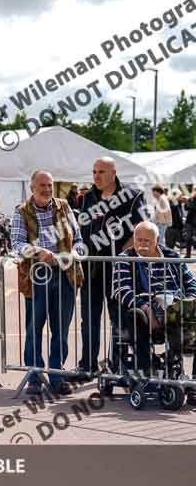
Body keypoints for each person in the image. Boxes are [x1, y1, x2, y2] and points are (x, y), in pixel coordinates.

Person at [11, 171, 84, 396]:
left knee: (60, 330)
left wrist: (70, 254)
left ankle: (57, 376)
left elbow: (80, 241)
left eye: (49, 185)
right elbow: (16, 243)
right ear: (32, 188)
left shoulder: (64, 206)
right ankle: (35, 376)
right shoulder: (21, 211)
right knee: (35, 328)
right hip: (36, 277)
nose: (46, 189)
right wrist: (37, 251)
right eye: (42, 185)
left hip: (65, 275)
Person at [78, 156, 146, 377]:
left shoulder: (132, 196)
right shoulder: (88, 197)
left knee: (118, 318)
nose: (97, 176)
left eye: (102, 172)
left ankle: (117, 365)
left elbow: (138, 230)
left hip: (119, 270)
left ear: (114, 173)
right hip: (92, 268)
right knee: (89, 318)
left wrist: (122, 257)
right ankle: (87, 365)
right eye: (94, 172)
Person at [112, 221, 196, 381]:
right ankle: (146, 374)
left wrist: (191, 299)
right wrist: (145, 307)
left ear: (157, 241)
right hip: (145, 307)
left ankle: (192, 382)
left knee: (189, 313)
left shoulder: (172, 256)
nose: (141, 244)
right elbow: (121, 290)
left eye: (147, 241)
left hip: (174, 305)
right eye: (138, 239)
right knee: (136, 315)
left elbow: (191, 282)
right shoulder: (125, 258)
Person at [184, 190, 196, 258]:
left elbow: (193, 207)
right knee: (188, 238)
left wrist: (189, 201)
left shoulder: (191, 200)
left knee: (193, 238)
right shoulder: (191, 199)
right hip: (190, 222)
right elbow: (186, 207)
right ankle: (188, 254)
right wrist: (187, 201)